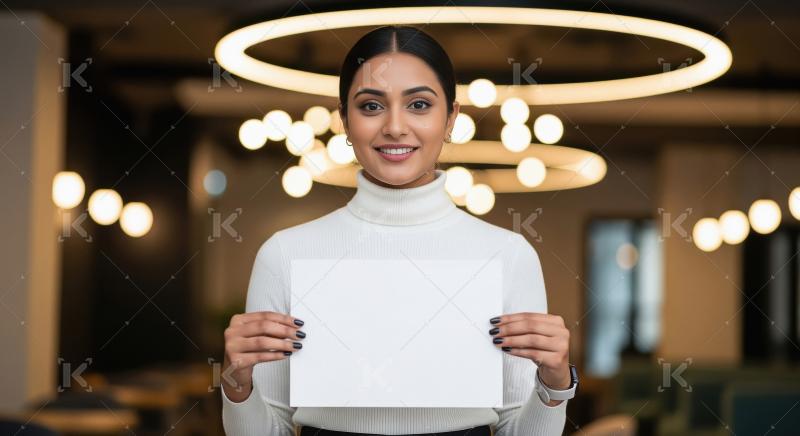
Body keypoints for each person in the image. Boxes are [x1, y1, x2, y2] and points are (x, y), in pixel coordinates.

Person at [220, 25, 573, 436]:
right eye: (371, 106)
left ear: (451, 118)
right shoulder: (285, 254)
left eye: (419, 104)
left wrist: (554, 385)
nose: (395, 127)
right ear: (345, 121)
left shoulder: (508, 255)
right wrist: (237, 385)